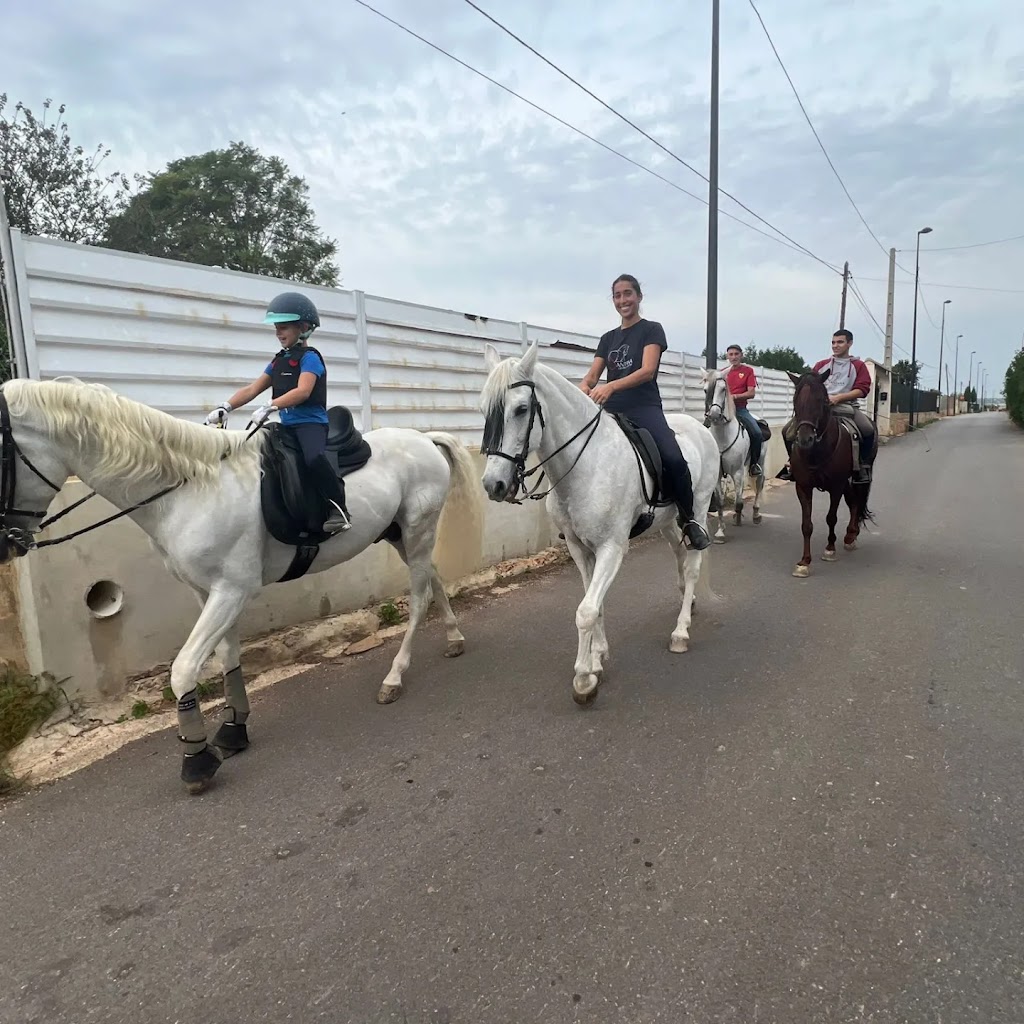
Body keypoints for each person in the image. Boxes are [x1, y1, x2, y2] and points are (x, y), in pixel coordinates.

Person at [578, 274, 712, 550]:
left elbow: (647, 370)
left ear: (639, 297)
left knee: (673, 458)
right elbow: (592, 375)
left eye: (628, 294)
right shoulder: (607, 338)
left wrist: (611, 385)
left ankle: (689, 520)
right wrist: (583, 386)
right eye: (617, 295)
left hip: (643, 406)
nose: (623, 300)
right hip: (610, 409)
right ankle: (581, 519)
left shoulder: (652, 330)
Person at [205, 291, 352, 533]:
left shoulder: (310, 358)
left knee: (314, 458)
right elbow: (253, 388)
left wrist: (272, 405)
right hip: (287, 424)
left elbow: (304, 391)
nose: (278, 333)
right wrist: (225, 406)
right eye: (276, 328)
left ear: (303, 328)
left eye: (284, 327)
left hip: (310, 424)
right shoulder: (278, 361)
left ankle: (339, 508)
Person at [777, 328, 876, 483]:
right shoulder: (821, 365)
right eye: (833, 342)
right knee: (786, 431)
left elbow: (863, 389)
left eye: (840, 342)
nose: (835, 346)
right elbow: (810, 384)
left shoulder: (858, 365)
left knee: (868, 429)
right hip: (820, 408)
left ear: (849, 343)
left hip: (846, 406)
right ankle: (792, 464)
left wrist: (838, 398)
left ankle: (863, 466)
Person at [723, 343, 764, 476]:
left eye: (736, 354)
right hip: (724, 410)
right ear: (727, 356)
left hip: (740, 409)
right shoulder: (723, 372)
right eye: (731, 354)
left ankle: (754, 464)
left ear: (741, 355)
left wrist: (735, 397)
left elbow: (751, 393)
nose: (733, 357)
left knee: (757, 433)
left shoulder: (748, 371)